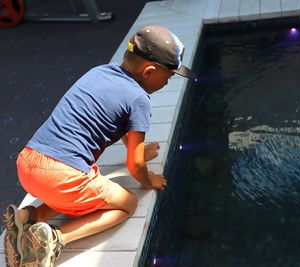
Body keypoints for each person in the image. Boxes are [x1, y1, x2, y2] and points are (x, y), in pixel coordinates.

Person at [2, 24, 195, 267]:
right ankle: (53, 239)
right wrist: (150, 181)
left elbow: (119, 124)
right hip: (62, 177)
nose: (167, 84)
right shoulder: (139, 99)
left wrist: (140, 149)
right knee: (128, 204)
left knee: (68, 193)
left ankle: (26, 217)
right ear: (149, 71)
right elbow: (135, 167)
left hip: (28, 163)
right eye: (167, 78)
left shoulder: (100, 71)